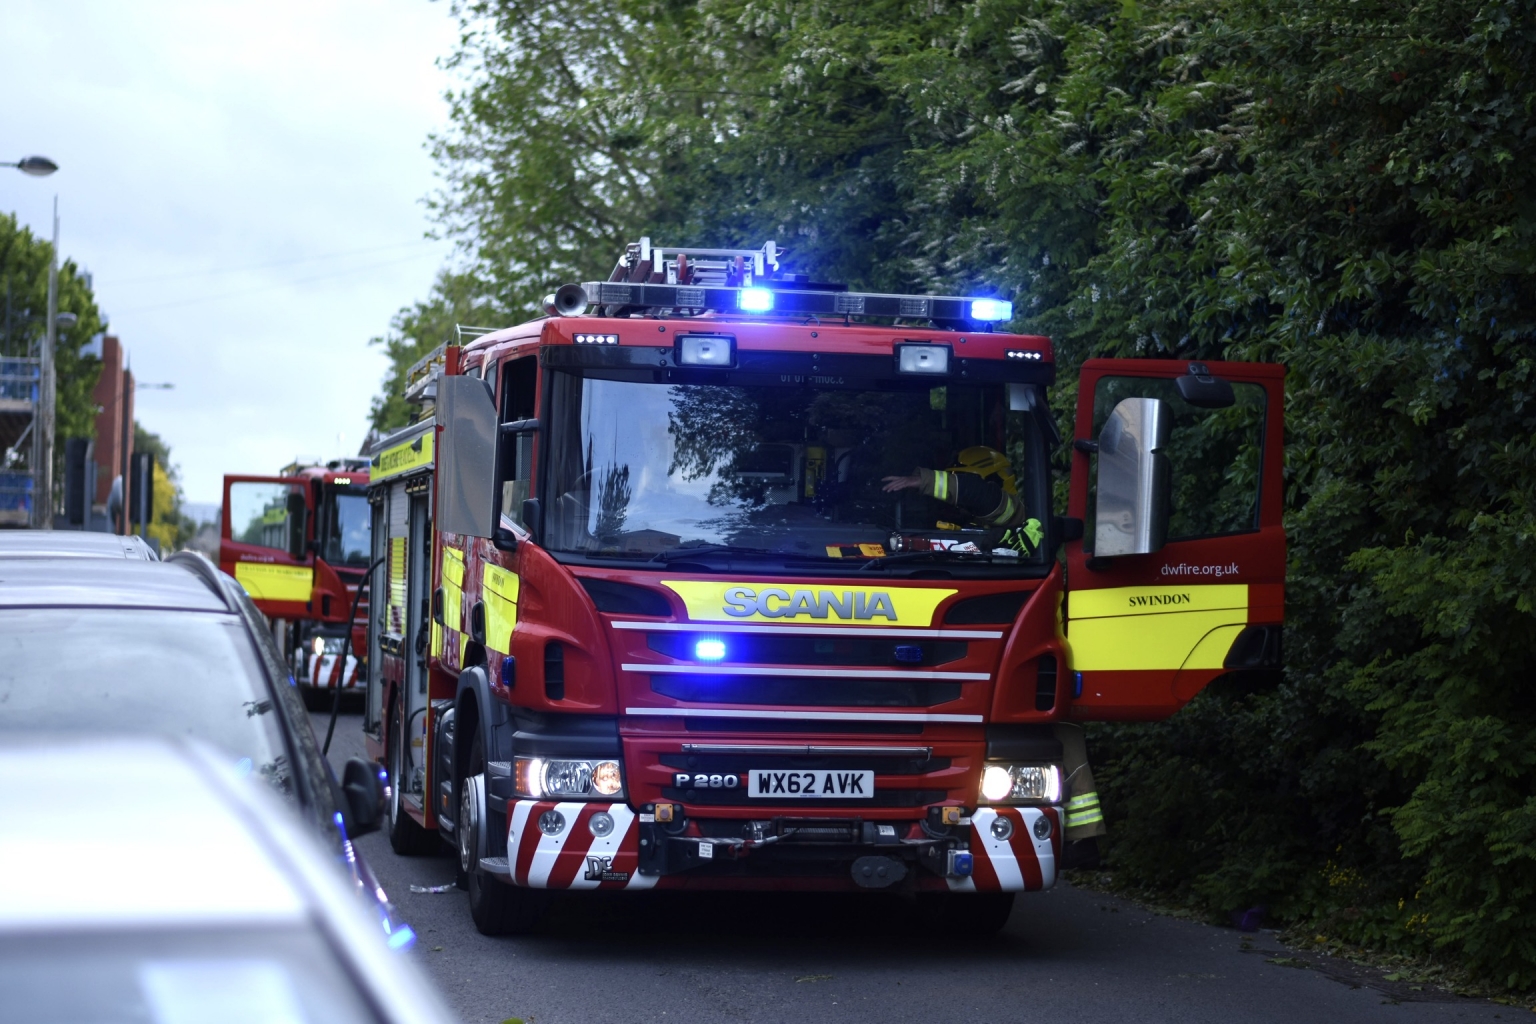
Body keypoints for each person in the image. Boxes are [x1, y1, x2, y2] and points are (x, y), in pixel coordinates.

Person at [884, 446, 1105, 864]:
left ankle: (1085, 838)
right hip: (1012, 662)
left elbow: (988, 502)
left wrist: (928, 480)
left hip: (1024, 659)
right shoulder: (958, 532)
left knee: (1061, 741)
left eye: (963, 485)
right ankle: (1084, 837)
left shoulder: (1021, 522)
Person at [881, 446, 1043, 553]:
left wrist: (925, 481)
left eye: (959, 478)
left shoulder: (1012, 509)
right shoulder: (956, 519)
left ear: (994, 480)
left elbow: (978, 493)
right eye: (951, 477)